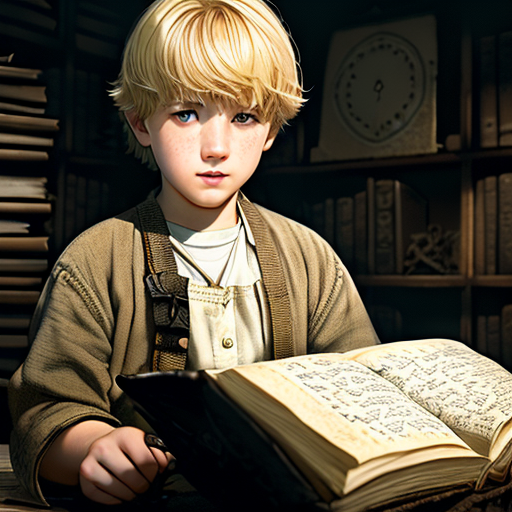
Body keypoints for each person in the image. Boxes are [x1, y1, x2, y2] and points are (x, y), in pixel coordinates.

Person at [8, 0, 379, 508]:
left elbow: (366, 394)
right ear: (141, 124)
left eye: (244, 116)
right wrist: (93, 447)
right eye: (187, 113)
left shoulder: (312, 260)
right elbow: (44, 410)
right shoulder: (93, 262)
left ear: (271, 129)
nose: (217, 146)